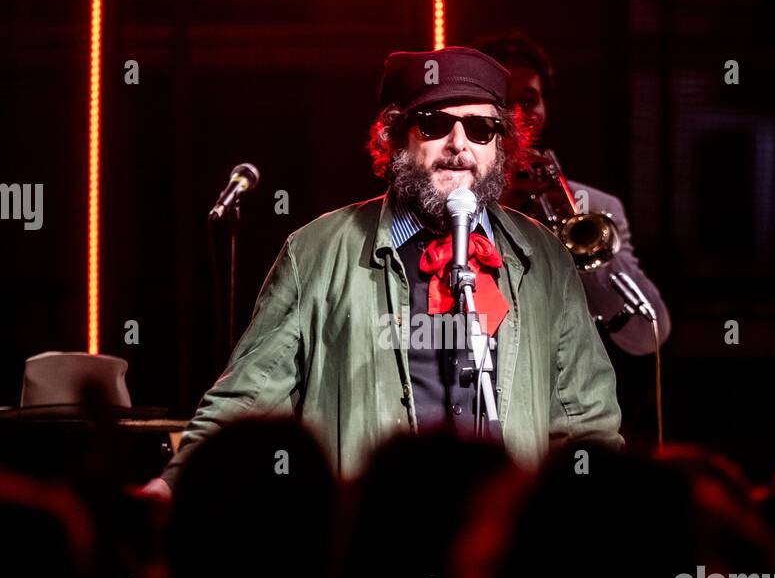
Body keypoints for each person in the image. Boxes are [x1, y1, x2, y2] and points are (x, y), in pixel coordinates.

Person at [152, 46, 622, 494]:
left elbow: (587, 423)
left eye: (481, 129)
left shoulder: (544, 259)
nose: (459, 145)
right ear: (395, 135)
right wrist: (174, 486)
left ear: (500, 146)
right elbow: (245, 404)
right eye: (436, 124)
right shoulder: (315, 253)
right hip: (371, 549)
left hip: (496, 557)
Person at [473, 31, 671, 357]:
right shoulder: (448, 203)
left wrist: (579, 236)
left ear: (545, 108)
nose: (518, 117)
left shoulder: (596, 207)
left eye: (528, 100)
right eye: (503, 103)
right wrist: (499, 211)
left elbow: (646, 335)